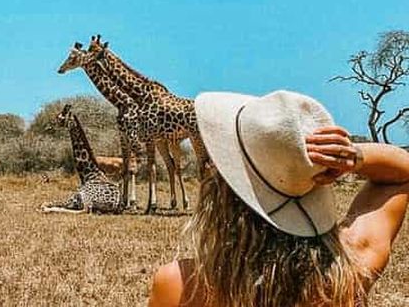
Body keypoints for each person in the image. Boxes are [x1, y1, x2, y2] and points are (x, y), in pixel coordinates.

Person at [148, 90, 409, 307]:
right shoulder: (349, 272)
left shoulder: (182, 286)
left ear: (222, 191)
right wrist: (350, 155)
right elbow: (402, 173)